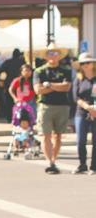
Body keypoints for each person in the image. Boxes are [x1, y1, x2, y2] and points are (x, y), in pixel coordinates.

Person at [33, 44, 72, 175]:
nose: (53, 56)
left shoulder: (66, 70)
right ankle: (50, 162)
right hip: (45, 106)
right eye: (50, 53)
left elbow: (67, 87)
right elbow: (38, 90)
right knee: (46, 135)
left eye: (55, 53)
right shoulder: (39, 71)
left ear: (59, 56)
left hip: (62, 105)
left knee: (58, 135)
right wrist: (57, 86)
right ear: (46, 56)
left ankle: (54, 159)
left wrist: (49, 85)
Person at [71, 51, 96, 175]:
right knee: (80, 140)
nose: (85, 65)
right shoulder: (78, 78)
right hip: (81, 112)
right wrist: (88, 107)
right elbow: (76, 97)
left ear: (93, 64)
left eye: (88, 62)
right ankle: (82, 164)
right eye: (83, 63)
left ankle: (94, 166)